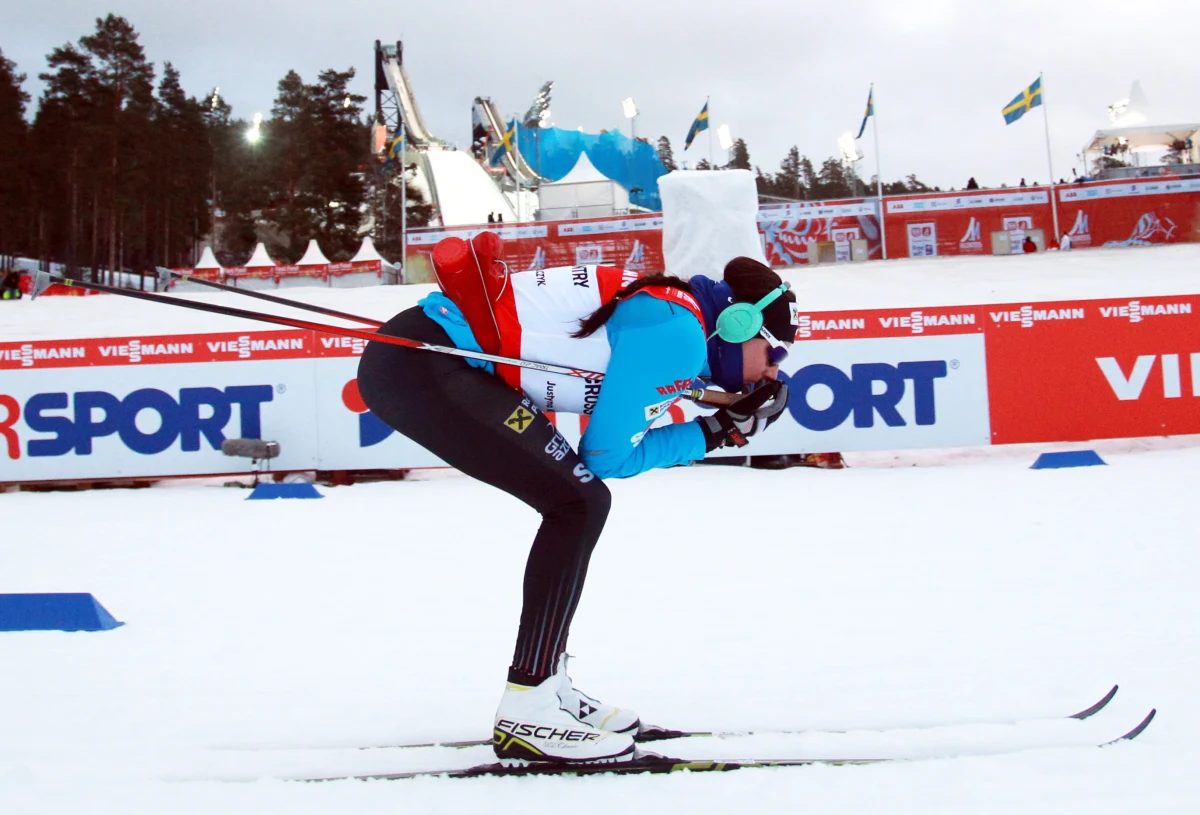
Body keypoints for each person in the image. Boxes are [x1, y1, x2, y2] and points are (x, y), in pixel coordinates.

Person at [356, 233, 795, 764]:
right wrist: (715, 433)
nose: (772, 371)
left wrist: (716, 415)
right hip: (427, 365)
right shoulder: (677, 331)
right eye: (773, 352)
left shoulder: (678, 320)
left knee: (578, 502)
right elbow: (608, 457)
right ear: (738, 324)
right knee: (579, 504)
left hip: (423, 359)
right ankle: (529, 702)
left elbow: (627, 426)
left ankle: (548, 689)